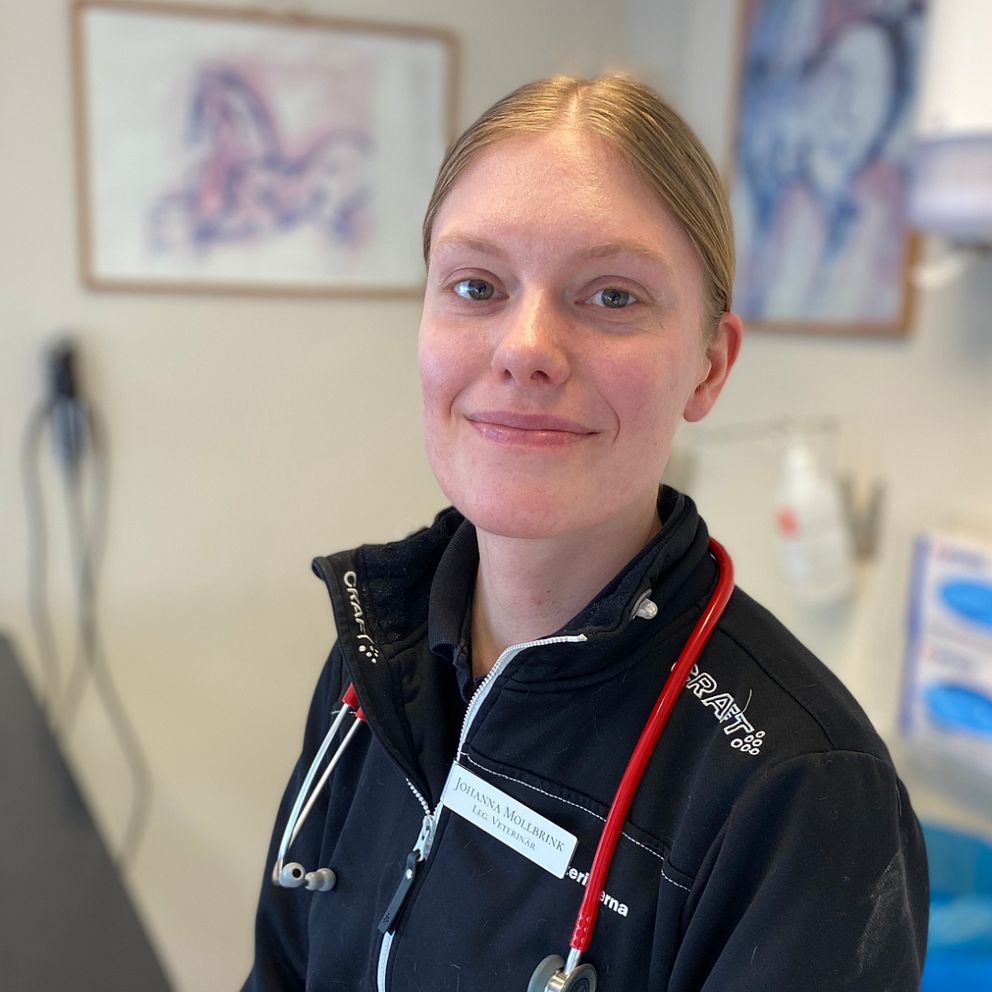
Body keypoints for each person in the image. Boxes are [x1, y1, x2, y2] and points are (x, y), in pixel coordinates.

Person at [242, 74, 928, 992]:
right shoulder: (377, 651)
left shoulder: (804, 795)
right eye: (476, 285)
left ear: (708, 366)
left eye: (612, 297)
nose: (526, 347)